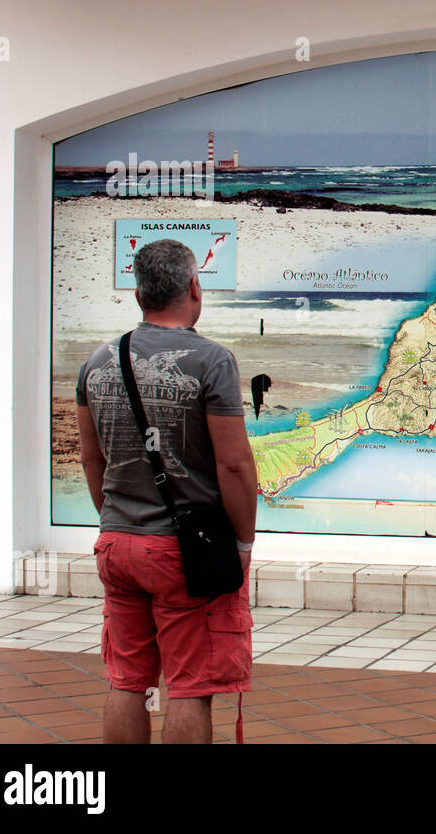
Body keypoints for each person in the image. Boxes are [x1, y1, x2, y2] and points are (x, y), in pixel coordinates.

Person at [75, 238, 257, 744]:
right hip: (183, 553)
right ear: (194, 288)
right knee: (189, 687)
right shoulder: (211, 361)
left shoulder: (97, 362)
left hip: (117, 544)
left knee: (127, 681)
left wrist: (115, 518)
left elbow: (92, 459)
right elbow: (235, 466)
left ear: (139, 295)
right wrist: (243, 543)